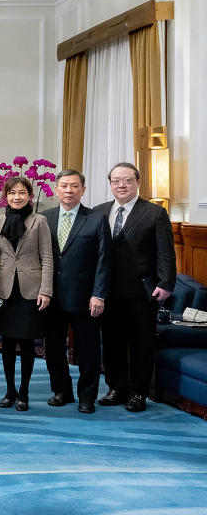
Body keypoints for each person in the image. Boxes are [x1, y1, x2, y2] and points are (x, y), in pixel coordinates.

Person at [96, 161, 175, 412]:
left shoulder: (154, 213)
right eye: (116, 180)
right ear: (110, 184)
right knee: (112, 342)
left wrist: (166, 283)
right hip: (108, 290)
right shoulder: (99, 211)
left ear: (138, 183)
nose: (122, 185)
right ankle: (116, 388)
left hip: (143, 290)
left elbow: (166, 252)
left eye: (127, 180)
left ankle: (138, 393)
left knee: (141, 343)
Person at [41, 169, 110, 414]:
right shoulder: (43, 218)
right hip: (51, 296)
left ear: (83, 189)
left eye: (74, 186)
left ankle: (87, 396)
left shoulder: (96, 219)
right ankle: (61, 391)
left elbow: (104, 260)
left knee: (88, 348)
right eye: (64, 186)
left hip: (85, 297)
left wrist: (98, 294)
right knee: (54, 347)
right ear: (56, 189)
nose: (68, 191)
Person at [0, 176, 53, 411]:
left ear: (30, 195)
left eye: (22, 193)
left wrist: (46, 290)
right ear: (5, 196)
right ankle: (10, 390)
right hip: (4, 292)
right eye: (12, 193)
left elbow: (47, 258)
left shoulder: (40, 221)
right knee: (6, 344)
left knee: (27, 344)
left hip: (31, 291)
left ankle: (24, 392)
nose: (17, 197)